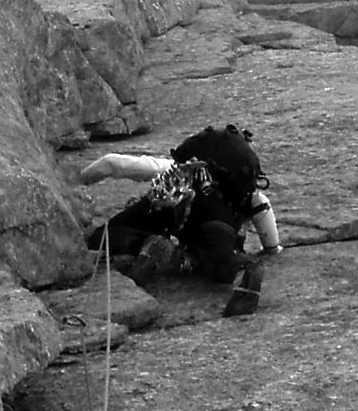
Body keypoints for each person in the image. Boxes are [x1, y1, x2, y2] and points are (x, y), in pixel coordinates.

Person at [81, 124, 281, 317]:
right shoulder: (247, 194)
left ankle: (147, 244)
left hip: (175, 203)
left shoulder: (182, 170)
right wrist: (272, 247)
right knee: (218, 260)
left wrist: (76, 181)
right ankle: (242, 268)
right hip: (218, 222)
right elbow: (264, 215)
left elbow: (113, 163)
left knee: (104, 236)